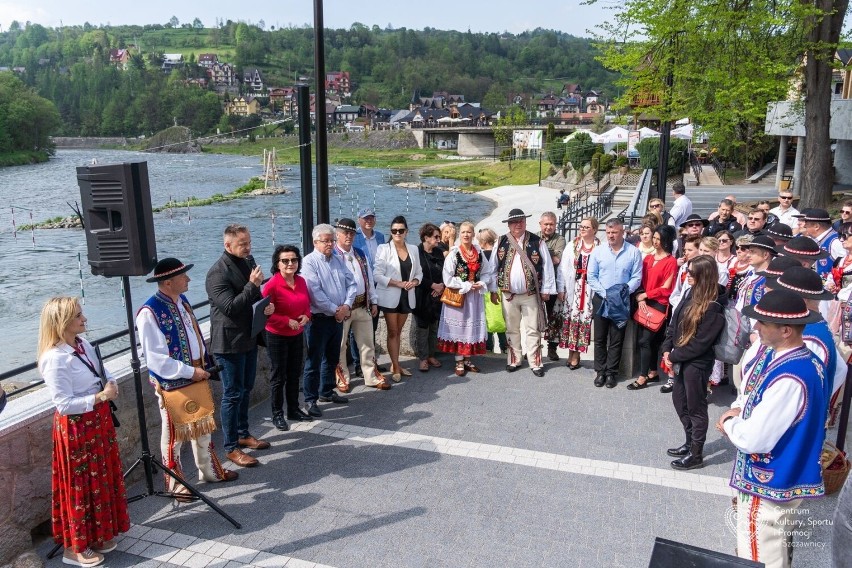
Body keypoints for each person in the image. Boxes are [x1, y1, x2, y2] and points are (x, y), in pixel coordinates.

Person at [717, 290, 826, 568]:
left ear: (786, 330)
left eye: (764, 323)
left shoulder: (791, 375)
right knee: (770, 550)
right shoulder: (806, 361)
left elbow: (755, 439)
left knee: (759, 556)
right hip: (782, 479)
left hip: (768, 483)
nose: (756, 327)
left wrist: (730, 423)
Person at [38, 297, 130, 567]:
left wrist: (109, 383)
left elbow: (101, 371)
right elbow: (64, 405)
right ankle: (74, 548)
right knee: (80, 486)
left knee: (100, 480)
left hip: (96, 421)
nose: (84, 318)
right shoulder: (54, 359)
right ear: (62, 322)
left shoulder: (83, 345)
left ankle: (98, 534)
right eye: (78, 315)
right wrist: (101, 397)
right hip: (77, 427)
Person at [137, 258, 239, 488]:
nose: (188, 279)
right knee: (174, 434)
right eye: (183, 276)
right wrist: (190, 371)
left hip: (196, 372)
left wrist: (201, 365)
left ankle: (209, 470)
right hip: (173, 380)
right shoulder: (149, 312)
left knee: (202, 424)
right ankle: (176, 483)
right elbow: (155, 359)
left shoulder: (181, 300)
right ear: (168, 282)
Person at [206, 224, 274, 468]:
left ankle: (244, 433)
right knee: (232, 394)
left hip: (248, 338)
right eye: (242, 244)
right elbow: (231, 307)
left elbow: (253, 300)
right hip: (227, 343)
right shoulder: (217, 273)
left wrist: (266, 306)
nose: (248, 247)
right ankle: (231, 446)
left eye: (249, 242)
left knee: (245, 389)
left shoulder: (247, 262)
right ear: (228, 245)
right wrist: (252, 285)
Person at [661, 256, 726, 470]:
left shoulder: (714, 304)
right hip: (680, 358)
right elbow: (674, 323)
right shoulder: (690, 292)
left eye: (692, 273)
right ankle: (689, 442)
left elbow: (701, 343)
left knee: (696, 408)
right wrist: (666, 349)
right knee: (679, 401)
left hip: (697, 363)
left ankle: (696, 454)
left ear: (703, 276)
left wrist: (673, 356)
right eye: (687, 271)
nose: (687, 275)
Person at [300, 224, 357, 417]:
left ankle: (326, 391)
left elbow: (352, 282)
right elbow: (315, 293)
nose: (330, 244)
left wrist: (347, 306)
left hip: (338, 317)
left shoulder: (338, 259)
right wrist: (336, 310)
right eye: (326, 241)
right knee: (314, 360)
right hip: (319, 319)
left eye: (332, 240)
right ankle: (310, 399)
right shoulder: (309, 262)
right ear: (316, 242)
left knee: (332, 357)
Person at [495, 208, 557, 377]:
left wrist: (547, 290)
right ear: (509, 225)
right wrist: (494, 289)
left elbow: (547, 267)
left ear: (525, 223)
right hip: (509, 295)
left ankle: (535, 362)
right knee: (512, 329)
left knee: (532, 329)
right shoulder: (501, 241)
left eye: (521, 221)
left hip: (530, 294)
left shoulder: (537, 242)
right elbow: (493, 267)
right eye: (515, 222)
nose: (518, 224)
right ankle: (514, 359)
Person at [332, 218, 390, 391]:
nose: (349, 236)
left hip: (362, 304)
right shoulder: (333, 255)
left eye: (351, 233)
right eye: (345, 233)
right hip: (342, 308)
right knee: (341, 345)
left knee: (367, 343)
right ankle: (342, 376)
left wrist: (374, 300)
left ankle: (371, 376)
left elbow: (369, 278)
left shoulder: (359, 253)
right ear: (337, 234)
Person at [262, 245, 315, 430]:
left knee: (294, 373)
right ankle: (277, 414)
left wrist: (307, 315)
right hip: (277, 335)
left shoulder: (301, 281)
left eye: (293, 260)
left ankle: (293, 409)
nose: (290, 263)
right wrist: (286, 321)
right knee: (278, 376)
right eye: (285, 260)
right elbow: (264, 313)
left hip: (297, 333)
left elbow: (307, 305)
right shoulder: (271, 285)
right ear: (277, 264)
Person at [587, 217, 643, 388]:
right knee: (600, 338)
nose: (611, 235)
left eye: (615, 232)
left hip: (621, 301)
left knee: (617, 338)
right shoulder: (598, 251)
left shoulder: (633, 252)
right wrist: (606, 294)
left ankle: (611, 373)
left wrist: (621, 293)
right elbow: (591, 276)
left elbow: (636, 277)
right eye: (608, 232)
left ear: (623, 232)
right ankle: (600, 371)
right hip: (602, 299)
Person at [438, 221, 497, 376]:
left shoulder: (478, 252)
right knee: (460, 327)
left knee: (470, 327)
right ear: (459, 234)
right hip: (459, 295)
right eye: (463, 232)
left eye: (469, 232)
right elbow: (447, 277)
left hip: (474, 297)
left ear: (473, 234)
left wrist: (481, 283)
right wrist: (465, 285)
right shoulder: (454, 253)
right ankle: (459, 360)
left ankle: (467, 359)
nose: (466, 235)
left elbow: (487, 272)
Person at [628, 225, 677, 390]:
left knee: (645, 341)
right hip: (644, 300)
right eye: (654, 238)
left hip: (659, 303)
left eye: (659, 239)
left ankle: (642, 377)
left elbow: (667, 288)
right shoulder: (648, 258)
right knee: (651, 341)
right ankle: (653, 371)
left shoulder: (671, 261)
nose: (656, 242)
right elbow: (639, 280)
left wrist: (645, 295)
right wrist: (640, 296)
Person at [374, 215, 423, 381]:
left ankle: (397, 364)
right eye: (394, 230)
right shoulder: (383, 249)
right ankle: (395, 365)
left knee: (398, 331)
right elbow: (377, 275)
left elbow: (419, 273)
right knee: (393, 331)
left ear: (406, 231)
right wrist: (398, 283)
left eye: (401, 230)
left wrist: (415, 282)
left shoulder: (414, 249)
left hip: (407, 296)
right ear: (391, 232)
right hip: (390, 297)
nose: (397, 233)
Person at [557, 217, 600, 370]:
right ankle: (571, 352)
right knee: (572, 318)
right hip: (573, 288)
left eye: (586, 227)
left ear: (594, 229)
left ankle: (577, 354)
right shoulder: (572, 245)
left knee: (584, 320)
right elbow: (563, 268)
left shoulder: (600, 247)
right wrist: (561, 288)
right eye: (581, 226)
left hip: (589, 289)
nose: (582, 229)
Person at [352, 207, 385, 373]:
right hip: (360, 288)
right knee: (356, 329)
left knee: (371, 325)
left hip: (376, 287)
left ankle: (371, 362)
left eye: (371, 218)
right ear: (359, 220)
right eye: (365, 218)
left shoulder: (380, 236)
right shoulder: (354, 237)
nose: (368, 221)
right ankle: (358, 364)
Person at [413, 223, 445, 372]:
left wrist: (441, 286)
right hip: (422, 295)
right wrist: (432, 285)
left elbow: (447, 272)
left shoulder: (439, 252)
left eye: (439, 236)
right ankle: (423, 359)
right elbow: (414, 275)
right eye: (436, 237)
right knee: (422, 327)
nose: (439, 239)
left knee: (434, 327)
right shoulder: (416, 252)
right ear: (426, 237)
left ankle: (432, 355)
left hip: (437, 295)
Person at [538, 211, 566, 361]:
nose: (549, 227)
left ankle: (552, 348)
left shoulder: (560, 239)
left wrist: (539, 254)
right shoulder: (534, 237)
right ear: (540, 224)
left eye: (551, 224)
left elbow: (557, 259)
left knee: (554, 317)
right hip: (536, 283)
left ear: (555, 225)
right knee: (535, 316)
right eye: (546, 224)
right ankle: (534, 347)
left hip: (553, 284)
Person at [478, 228, 508, 353]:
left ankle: (488, 346)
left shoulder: (481, 255)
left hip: (486, 291)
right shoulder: (499, 254)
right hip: (499, 289)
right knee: (501, 319)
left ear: (483, 241)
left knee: (488, 319)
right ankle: (505, 347)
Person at [795, 208, 844, 282]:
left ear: (816, 226)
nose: (805, 228)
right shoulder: (818, 240)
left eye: (807, 225)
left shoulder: (836, 242)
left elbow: (845, 267)